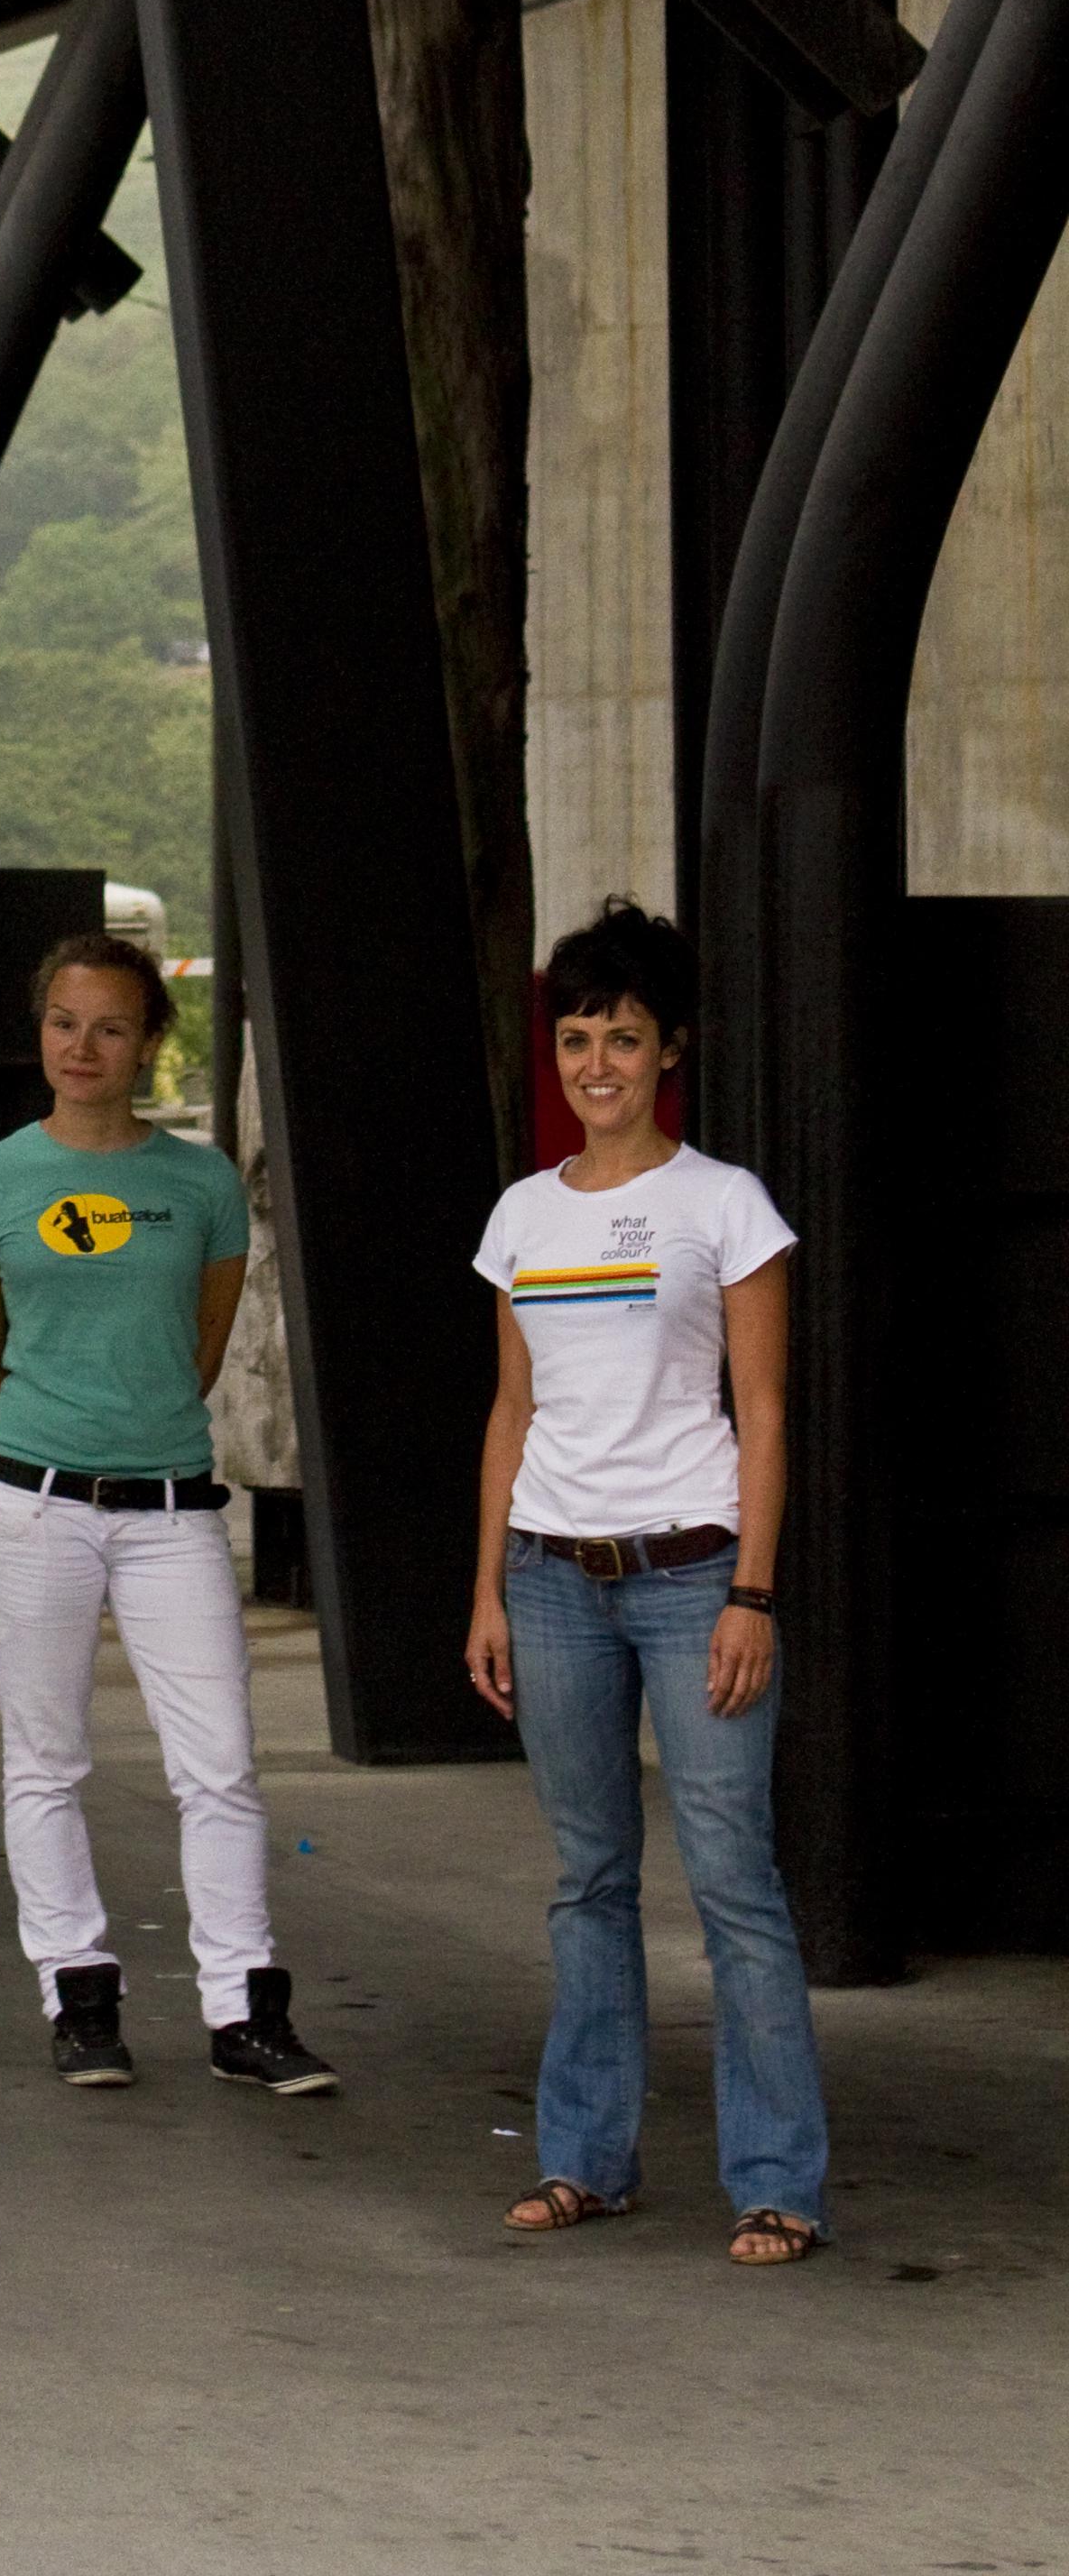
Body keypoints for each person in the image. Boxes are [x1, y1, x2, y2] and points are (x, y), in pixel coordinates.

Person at [466, 897, 826, 2264]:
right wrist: (488, 1591)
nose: (596, 1064)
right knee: (589, 1879)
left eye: (622, 1037)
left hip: (693, 1580)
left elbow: (765, 1411)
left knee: (734, 1881)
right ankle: (586, 2161)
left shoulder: (724, 1205)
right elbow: (512, 1412)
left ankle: (778, 2180)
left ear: (669, 1048)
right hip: (552, 1580)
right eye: (576, 1039)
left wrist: (753, 1594)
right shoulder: (523, 1214)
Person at [0, 930, 335, 2100]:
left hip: (170, 1509)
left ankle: (243, 2007)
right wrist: (49, 1445)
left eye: (111, 1027)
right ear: (40, 1030)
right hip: (36, 1507)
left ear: (151, 1041)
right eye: (65, 1023)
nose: (84, 1047)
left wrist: (131, 1430)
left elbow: (198, 1352)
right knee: (46, 1759)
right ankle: (78, 1990)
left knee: (220, 1764)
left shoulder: (200, 1185)